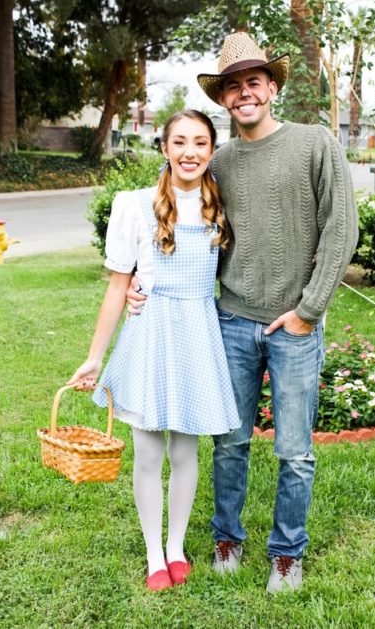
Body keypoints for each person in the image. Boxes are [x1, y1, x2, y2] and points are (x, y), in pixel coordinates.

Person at [127, 32, 359, 593]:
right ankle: (225, 537)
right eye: (232, 87)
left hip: (294, 325)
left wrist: (309, 309)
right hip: (229, 320)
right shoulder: (218, 161)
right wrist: (140, 282)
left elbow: (342, 226)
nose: (244, 94)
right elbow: (172, 221)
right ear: (224, 100)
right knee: (229, 442)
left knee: (295, 450)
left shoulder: (315, 142)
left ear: (272, 87)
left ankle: (287, 552)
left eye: (253, 82)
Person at [67, 110, 240, 592]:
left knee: (185, 448)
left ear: (212, 150)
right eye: (180, 142)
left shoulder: (218, 204)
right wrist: (95, 356)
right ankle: (152, 553)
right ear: (164, 147)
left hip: (197, 333)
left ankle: (176, 546)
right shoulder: (135, 204)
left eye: (201, 143)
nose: (190, 152)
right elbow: (118, 286)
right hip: (150, 333)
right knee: (148, 452)